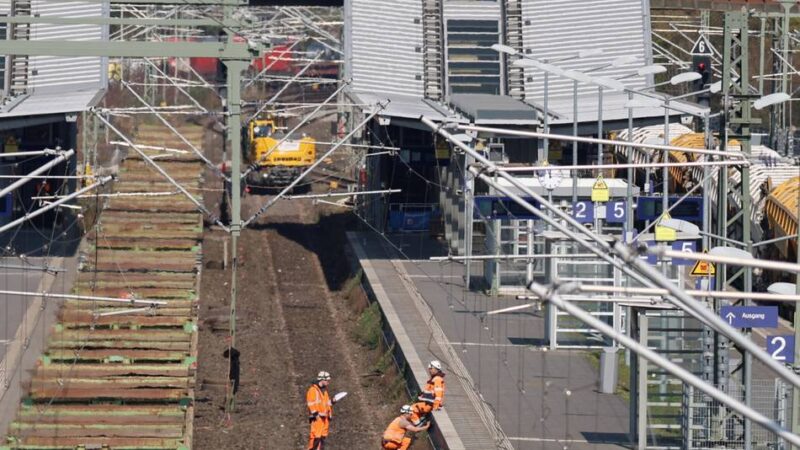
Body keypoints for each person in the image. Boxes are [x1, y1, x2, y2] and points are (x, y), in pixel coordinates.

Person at [306, 371, 333, 450]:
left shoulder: (324, 391)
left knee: (321, 441)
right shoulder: (313, 390)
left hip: (324, 421)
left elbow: (327, 404)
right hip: (317, 420)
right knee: (315, 441)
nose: (328, 382)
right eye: (327, 381)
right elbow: (311, 404)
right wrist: (319, 414)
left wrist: (333, 401)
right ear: (322, 380)